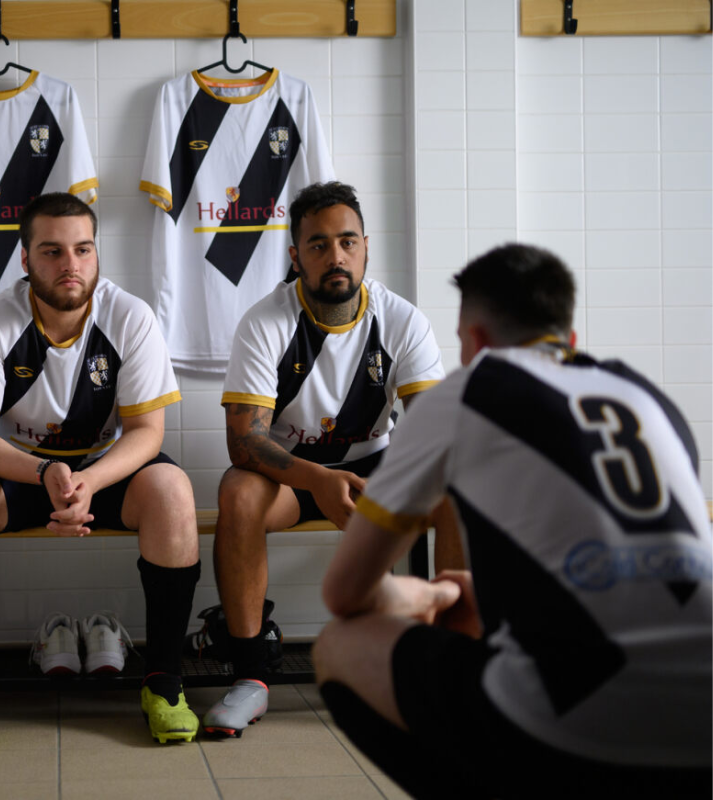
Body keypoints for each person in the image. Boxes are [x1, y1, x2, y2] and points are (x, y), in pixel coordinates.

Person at [314, 243, 712, 798]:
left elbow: (346, 592)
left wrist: (425, 598)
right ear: (568, 339)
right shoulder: (651, 401)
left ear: (474, 342)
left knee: (339, 644)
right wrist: (493, 595)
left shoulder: (468, 390)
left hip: (586, 730)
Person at [0, 192, 202, 751]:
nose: (70, 264)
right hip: (24, 471)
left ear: (97, 254)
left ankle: (165, 685)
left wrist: (90, 481)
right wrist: (46, 472)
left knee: (172, 488)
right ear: (26, 259)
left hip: (105, 474)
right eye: (52, 251)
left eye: (82, 249)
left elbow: (149, 433)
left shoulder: (129, 316)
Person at [204, 181, 447, 737]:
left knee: (456, 489)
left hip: (375, 468)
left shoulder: (402, 320)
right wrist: (317, 480)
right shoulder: (266, 322)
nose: (335, 256)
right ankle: (250, 677)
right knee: (238, 491)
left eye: (347, 242)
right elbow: (244, 443)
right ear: (295, 256)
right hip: (290, 475)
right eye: (317, 245)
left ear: (365, 248)